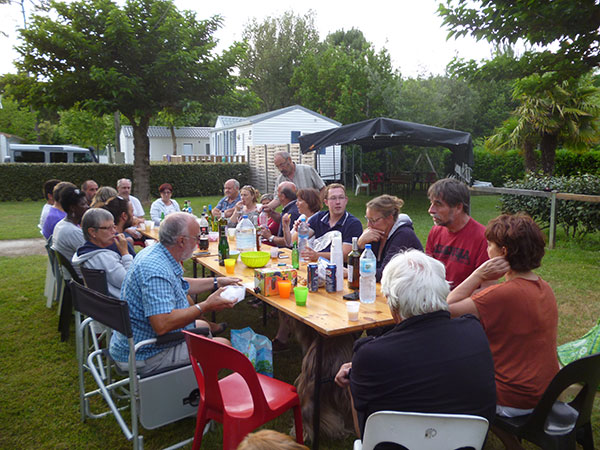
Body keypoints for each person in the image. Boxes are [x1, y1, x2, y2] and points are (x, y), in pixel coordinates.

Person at [334, 250, 496, 439]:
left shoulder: (371, 354)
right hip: (465, 442)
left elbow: (364, 432)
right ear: (444, 290)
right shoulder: (474, 332)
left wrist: (354, 379)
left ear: (393, 304)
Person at [447, 214, 559, 426]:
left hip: (514, 398)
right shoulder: (544, 287)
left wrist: (478, 275)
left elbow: (447, 309)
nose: (487, 249)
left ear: (503, 252)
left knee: (446, 376)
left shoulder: (502, 294)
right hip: (547, 392)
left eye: (490, 245)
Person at [109, 212, 240, 374]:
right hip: (145, 352)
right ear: (181, 241)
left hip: (135, 339)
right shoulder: (156, 270)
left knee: (203, 326)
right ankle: (202, 385)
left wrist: (217, 282)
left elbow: (179, 283)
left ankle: (199, 377)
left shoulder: (156, 252)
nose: (199, 242)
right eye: (197, 238)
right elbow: (162, 325)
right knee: (225, 346)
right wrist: (205, 306)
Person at [425, 178, 488, 289]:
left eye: (438, 204)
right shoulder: (435, 232)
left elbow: (486, 289)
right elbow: (427, 274)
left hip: (466, 299)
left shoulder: (483, 238)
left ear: (458, 207)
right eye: (431, 203)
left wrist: (452, 299)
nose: (431, 210)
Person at [357, 195, 423, 282]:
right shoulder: (376, 233)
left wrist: (355, 272)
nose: (369, 225)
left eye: (373, 220)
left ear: (389, 218)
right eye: (367, 219)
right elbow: (365, 265)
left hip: (412, 286)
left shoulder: (403, 235)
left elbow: (384, 274)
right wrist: (360, 245)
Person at [72, 208, 133, 298]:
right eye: (108, 228)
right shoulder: (103, 258)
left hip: (105, 302)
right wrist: (125, 253)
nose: (114, 231)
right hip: (122, 302)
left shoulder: (84, 252)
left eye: (114, 226)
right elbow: (130, 282)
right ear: (92, 232)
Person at [301, 183, 362, 262]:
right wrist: (299, 229)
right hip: (315, 264)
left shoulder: (353, 224)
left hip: (338, 267)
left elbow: (345, 255)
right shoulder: (319, 217)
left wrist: (317, 255)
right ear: (326, 202)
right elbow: (297, 240)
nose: (338, 202)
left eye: (341, 198)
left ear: (346, 200)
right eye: (333, 198)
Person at [51, 186, 89, 277]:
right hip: (83, 279)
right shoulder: (72, 232)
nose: (87, 207)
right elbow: (92, 255)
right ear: (72, 208)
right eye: (83, 204)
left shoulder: (60, 225)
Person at [260, 182, 300, 248]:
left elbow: (288, 241)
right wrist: (271, 212)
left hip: (288, 252)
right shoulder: (290, 207)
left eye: (277, 193)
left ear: (283, 196)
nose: (276, 195)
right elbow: (281, 220)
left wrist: (270, 237)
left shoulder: (292, 213)